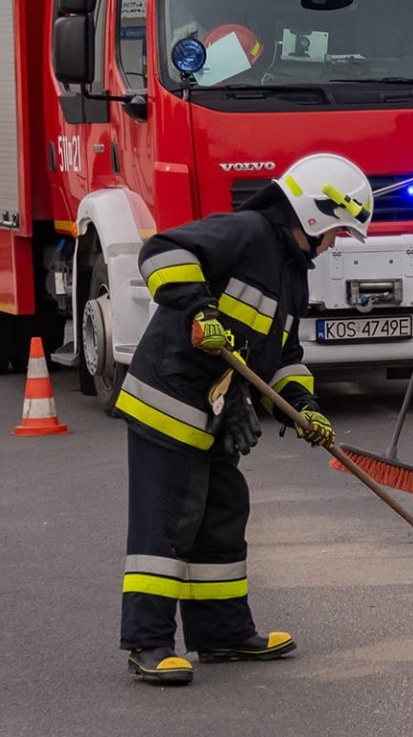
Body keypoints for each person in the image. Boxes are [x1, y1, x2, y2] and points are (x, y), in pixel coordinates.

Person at [115, 153, 370, 684]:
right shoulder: (248, 231)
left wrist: (304, 407)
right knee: (167, 523)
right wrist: (199, 310)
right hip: (170, 402)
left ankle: (223, 634)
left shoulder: (292, 273)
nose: (337, 243)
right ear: (314, 215)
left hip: (215, 412)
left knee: (222, 512)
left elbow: (284, 355)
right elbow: (163, 251)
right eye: (338, 230)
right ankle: (149, 642)